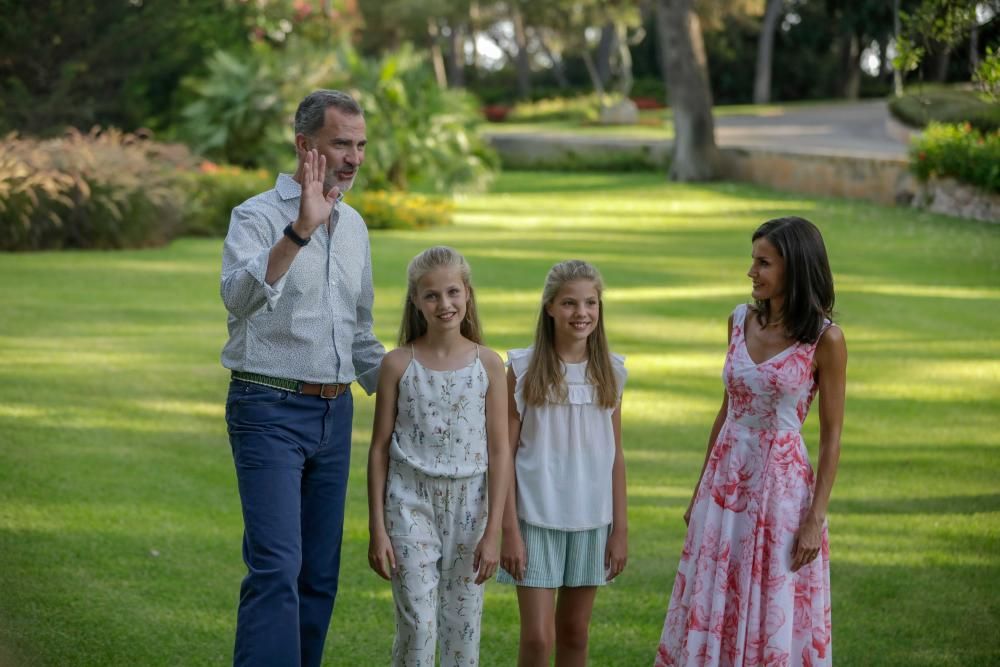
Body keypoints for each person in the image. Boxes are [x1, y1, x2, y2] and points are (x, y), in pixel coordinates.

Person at [220, 89, 384, 667]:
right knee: (276, 569)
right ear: (303, 144)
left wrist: (423, 388)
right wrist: (298, 233)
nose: (354, 157)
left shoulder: (356, 226)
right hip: (267, 407)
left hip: (335, 415)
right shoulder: (257, 216)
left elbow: (361, 335)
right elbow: (237, 299)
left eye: (360, 145)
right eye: (341, 144)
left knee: (318, 575)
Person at [654, 216, 847, 666]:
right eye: (753, 260)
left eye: (764, 263)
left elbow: (832, 436)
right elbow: (726, 410)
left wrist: (815, 518)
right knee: (714, 596)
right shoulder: (739, 320)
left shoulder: (826, 339)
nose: (751, 272)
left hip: (782, 492)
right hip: (725, 483)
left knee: (770, 600)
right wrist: (700, 491)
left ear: (794, 267)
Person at [366, 246, 512, 667]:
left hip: (471, 509)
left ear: (467, 294)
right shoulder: (397, 364)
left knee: (462, 628)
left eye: (452, 292)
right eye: (431, 295)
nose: (444, 304)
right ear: (415, 300)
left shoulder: (488, 364)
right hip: (408, 505)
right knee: (419, 627)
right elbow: (379, 448)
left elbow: (500, 450)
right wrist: (377, 528)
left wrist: (494, 532)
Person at [498, 259, 628, 667]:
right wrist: (508, 529)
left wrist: (620, 529)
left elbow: (616, 456)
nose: (581, 312)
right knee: (538, 639)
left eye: (591, 302)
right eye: (570, 303)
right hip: (534, 520)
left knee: (575, 632)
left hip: (592, 520)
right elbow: (503, 455)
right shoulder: (522, 369)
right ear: (550, 307)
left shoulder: (612, 372)